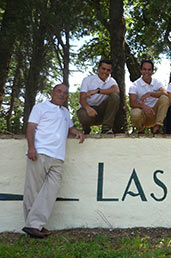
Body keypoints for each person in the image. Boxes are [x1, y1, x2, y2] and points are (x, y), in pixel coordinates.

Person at [23, 84, 84, 238]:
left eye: (65, 93)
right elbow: (31, 128)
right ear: (52, 92)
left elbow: (70, 129)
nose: (62, 95)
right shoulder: (40, 107)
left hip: (58, 157)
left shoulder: (65, 112)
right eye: (59, 91)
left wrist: (78, 132)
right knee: (33, 191)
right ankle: (34, 226)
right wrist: (31, 147)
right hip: (40, 152)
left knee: (51, 191)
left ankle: (34, 224)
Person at [77, 59, 120, 134]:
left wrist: (98, 91)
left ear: (110, 71)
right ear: (98, 68)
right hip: (89, 110)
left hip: (102, 111)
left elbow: (116, 91)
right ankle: (86, 129)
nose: (105, 72)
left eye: (108, 70)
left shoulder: (111, 81)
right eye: (103, 69)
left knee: (115, 97)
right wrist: (88, 108)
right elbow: (82, 99)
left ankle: (106, 129)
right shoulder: (87, 80)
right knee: (83, 114)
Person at [129, 60, 169, 134]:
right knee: (135, 113)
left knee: (165, 98)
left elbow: (165, 93)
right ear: (141, 70)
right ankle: (140, 130)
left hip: (155, 114)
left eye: (149, 69)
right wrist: (144, 107)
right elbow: (132, 102)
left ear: (152, 71)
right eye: (144, 69)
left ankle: (157, 128)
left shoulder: (157, 82)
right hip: (142, 115)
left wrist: (151, 93)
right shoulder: (134, 85)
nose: (147, 72)